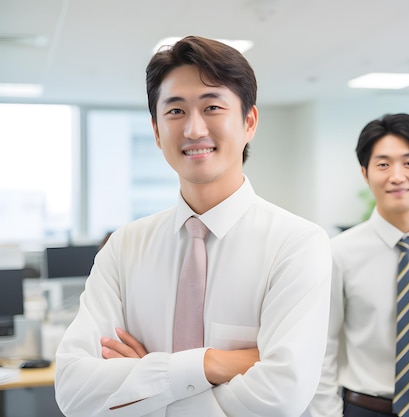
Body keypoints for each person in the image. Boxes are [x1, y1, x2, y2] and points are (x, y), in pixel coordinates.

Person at [54, 36, 332, 417]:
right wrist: (211, 364)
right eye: (175, 112)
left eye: (212, 107)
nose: (194, 129)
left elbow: (281, 397)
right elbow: (73, 390)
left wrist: (147, 380)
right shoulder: (124, 247)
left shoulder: (297, 244)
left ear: (249, 122)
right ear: (155, 130)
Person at [309, 113, 409, 417]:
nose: (397, 176)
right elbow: (323, 349)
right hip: (364, 409)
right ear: (365, 173)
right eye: (383, 164)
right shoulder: (338, 253)